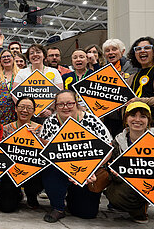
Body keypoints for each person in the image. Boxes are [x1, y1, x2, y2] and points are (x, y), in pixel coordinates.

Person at [40, 90, 112, 222]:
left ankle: (72, 195)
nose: (65, 107)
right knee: (48, 167)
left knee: (86, 213)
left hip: (88, 171)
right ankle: (58, 207)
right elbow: (45, 145)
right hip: (59, 169)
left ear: (76, 103)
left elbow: (108, 148)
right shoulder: (50, 122)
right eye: (60, 104)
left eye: (69, 103)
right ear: (55, 106)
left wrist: (92, 169)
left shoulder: (91, 120)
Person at [104, 102, 154, 224]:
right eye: (133, 115)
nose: (137, 120)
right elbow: (113, 172)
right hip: (133, 186)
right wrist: (118, 176)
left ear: (149, 120)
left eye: (143, 116)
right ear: (126, 119)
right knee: (115, 194)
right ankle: (138, 210)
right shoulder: (117, 142)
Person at [0, 96, 44, 212]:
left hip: (34, 173)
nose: (25, 110)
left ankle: (32, 195)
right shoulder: (6, 129)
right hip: (11, 172)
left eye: (29, 108)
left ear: (34, 111)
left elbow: (46, 154)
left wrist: (37, 138)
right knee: (6, 208)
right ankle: (17, 193)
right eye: (22, 107)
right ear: (15, 109)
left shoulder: (41, 129)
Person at [12, 44, 64, 121]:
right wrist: (26, 110)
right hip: (27, 116)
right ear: (28, 57)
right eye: (32, 53)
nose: (35, 55)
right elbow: (15, 95)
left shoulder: (54, 72)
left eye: (38, 52)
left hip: (49, 116)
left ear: (44, 56)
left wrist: (50, 110)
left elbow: (60, 94)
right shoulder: (21, 72)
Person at [126, 36, 154, 130]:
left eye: (147, 48)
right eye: (138, 49)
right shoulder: (131, 78)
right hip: (135, 128)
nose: (142, 51)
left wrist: (140, 100)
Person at [102, 38, 138, 137]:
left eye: (114, 49)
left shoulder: (133, 66)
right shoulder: (102, 70)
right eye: (107, 51)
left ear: (122, 52)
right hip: (111, 116)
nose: (110, 53)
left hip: (129, 112)